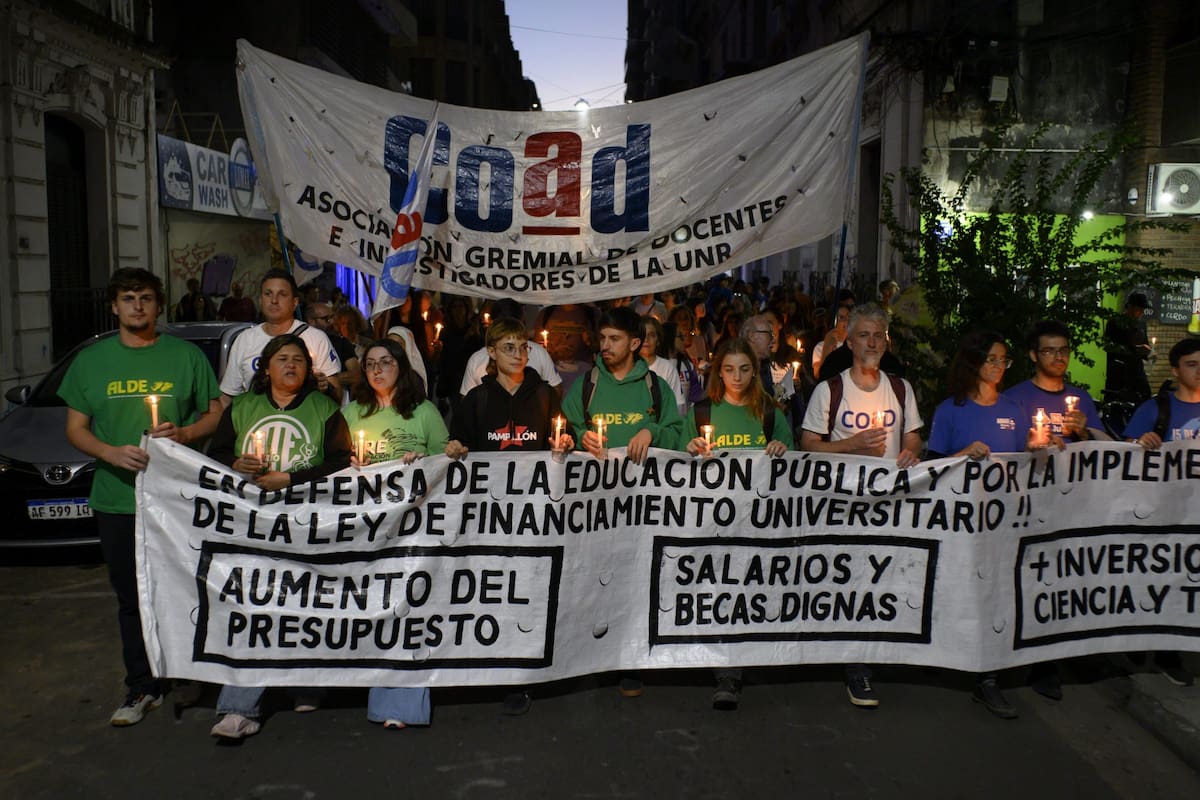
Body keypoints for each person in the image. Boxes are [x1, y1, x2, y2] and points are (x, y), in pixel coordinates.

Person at [59, 267, 223, 726]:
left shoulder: (185, 356)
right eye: (129, 298)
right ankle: (142, 685)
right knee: (132, 597)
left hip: (177, 500)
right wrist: (109, 451)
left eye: (146, 298)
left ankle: (194, 672)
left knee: (188, 587)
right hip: (118, 500)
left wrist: (186, 433)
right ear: (114, 305)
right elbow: (75, 428)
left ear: (158, 304)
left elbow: (214, 414)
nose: (137, 306)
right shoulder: (91, 362)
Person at [207, 334, 352, 740]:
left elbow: (341, 463)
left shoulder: (325, 409)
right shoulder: (241, 408)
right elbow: (214, 457)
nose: (291, 366)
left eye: (299, 361)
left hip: (308, 522)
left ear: (309, 371)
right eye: (282, 358)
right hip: (251, 524)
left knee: (306, 601)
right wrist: (235, 462)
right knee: (251, 607)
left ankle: (305, 683)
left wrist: (289, 479)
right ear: (265, 367)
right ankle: (238, 707)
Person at [444, 318, 574, 716]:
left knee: (531, 590)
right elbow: (459, 443)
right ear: (491, 354)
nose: (518, 354)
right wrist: (453, 448)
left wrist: (565, 441)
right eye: (509, 348)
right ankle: (497, 664)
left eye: (523, 347)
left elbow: (562, 434)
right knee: (497, 588)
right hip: (492, 513)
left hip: (534, 511)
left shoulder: (545, 396)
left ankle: (522, 673)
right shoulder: (476, 401)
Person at [800, 304, 923, 709]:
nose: (872, 342)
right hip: (840, 504)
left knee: (878, 579)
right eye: (865, 336)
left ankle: (863, 657)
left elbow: (914, 435)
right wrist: (851, 446)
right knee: (845, 580)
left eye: (879, 336)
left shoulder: (901, 389)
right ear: (849, 342)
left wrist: (908, 450)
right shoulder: (830, 390)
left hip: (887, 503)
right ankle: (848, 657)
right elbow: (809, 446)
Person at [561, 306, 684, 698]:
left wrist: (651, 431)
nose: (606, 346)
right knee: (593, 575)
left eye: (615, 340)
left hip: (643, 503)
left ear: (635, 344)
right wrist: (581, 438)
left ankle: (629, 660)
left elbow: (679, 433)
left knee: (635, 580)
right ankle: (589, 653)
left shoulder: (655, 387)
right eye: (602, 339)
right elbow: (566, 425)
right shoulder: (587, 383)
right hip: (596, 503)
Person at [925, 332, 1039, 719]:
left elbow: (1027, 460)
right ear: (974, 363)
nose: (998, 368)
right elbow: (932, 469)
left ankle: (987, 677)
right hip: (961, 521)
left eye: (1004, 361)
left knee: (996, 591)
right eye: (992, 360)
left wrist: (1042, 453)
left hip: (1004, 519)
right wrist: (962, 454)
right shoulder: (950, 411)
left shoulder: (1015, 409)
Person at [342, 338, 449, 730]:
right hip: (367, 526)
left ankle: (402, 702)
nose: (377, 369)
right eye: (370, 363)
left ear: (400, 367)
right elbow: (336, 466)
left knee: (407, 608)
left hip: (413, 526)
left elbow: (447, 461)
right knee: (373, 606)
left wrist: (424, 462)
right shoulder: (352, 413)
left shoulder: (423, 412)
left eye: (385, 362)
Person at [681, 338, 791, 710]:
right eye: (729, 369)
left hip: (756, 524)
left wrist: (780, 451)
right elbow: (678, 462)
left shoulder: (771, 412)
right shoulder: (702, 413)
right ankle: (725, 668)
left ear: (755, 371)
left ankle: (739, 661)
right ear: (718, 371)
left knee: (746, 591)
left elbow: (795, 468)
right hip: (711, 523)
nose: (737, 376)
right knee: (716, 590)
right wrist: (691, 449)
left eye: (745, 368)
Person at [1124, 336, 1200, 689]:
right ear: (1175, 369)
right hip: (1161, 515)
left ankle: (1173, 648)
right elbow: (1119, 456)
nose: (1199, 372)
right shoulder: (1156, 409)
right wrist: (1140, 444)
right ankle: (1149, 646)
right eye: (1192, 364)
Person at [219, 269, 342, 405]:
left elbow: (337, 394)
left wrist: (326, 387)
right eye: (268, 294)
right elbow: (228, 397)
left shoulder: (316, 338)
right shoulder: (244, 339)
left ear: (295, 303)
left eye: (282, 294)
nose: (274, 300)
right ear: (260, 300)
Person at [1005, 320, 1106, 446]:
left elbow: (1102, 449)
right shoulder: (1013, 399)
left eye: (1063, 350)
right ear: (1033, 355)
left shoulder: (1082, 399)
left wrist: (1084, 433)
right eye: (1049, 351)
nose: (1058, 357)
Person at [1104, 292, 1153, 404]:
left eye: (1142, 309)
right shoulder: (1115, 322)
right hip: (1119, 372)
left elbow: (1144, 344)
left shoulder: (1141, 325)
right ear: (1130, 307)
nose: (1141, 312)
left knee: (1144, 397)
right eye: (1138, 308)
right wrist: (1132, 349)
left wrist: (1147, 351)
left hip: (1136, 371)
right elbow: (1110, 347)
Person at [306, 300, 361, 390]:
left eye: (332, 317)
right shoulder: (301, 343)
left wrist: (328, 378)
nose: (331, 322)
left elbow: (355, 374)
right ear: (311, 321)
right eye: (326, 319)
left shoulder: (342, 342)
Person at [640, 315, 687, 415]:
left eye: (651, 335)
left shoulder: (667, 368)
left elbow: (678, 405)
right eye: (643, 335)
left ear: (658, 340)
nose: (646, 339)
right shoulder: (627, 366)